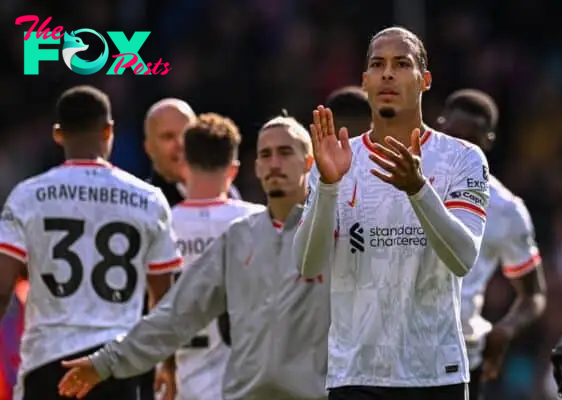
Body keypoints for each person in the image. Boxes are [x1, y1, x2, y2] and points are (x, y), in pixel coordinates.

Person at [57, 115, 330, 400]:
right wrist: (106, 361)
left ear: (309, 162)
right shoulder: (238, 237)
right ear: (256, 168)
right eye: (265, 155)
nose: (274, 163)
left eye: (285, 153)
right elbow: (176, 314)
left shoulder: (337, 232)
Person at [294, 26, 490, 400]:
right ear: (364, 81)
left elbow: (463, 258)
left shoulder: (462, 158)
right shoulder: (335, 160)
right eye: (377, 64)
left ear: (425, 80)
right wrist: (330, 186)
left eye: (401, 64)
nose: (387, 73)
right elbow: (307, 265)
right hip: (356, 373)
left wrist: (418, 189)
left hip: (436, 373)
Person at [0, 85, 182, 400]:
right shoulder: (149, 200)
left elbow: (2, 288)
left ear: (58, 134)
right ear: (108, 130)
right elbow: (163, 301)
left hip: (47, 362)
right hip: (119, 364)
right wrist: (169, 365)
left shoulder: (27, 196)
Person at [437, 89, 546, 400]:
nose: (458, 149)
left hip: (461, 359)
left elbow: (534, 294)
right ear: (439, 128)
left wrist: (505, 330)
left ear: (487, 141)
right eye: (452, 137)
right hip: (397, 355)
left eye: (469, 140)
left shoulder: (505, 209)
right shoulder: (407, 184)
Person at [156, 113, 264, 400]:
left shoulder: (162, 225)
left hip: (180, 384)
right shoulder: (258, 222)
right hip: (245, 386)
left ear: (185, 164)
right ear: (234, 170)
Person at [144, 99, 242, 205]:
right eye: (168, 137)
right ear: (149, 147)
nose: (181, 143)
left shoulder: (229, 192)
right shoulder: (146, 204)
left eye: (186, 133)